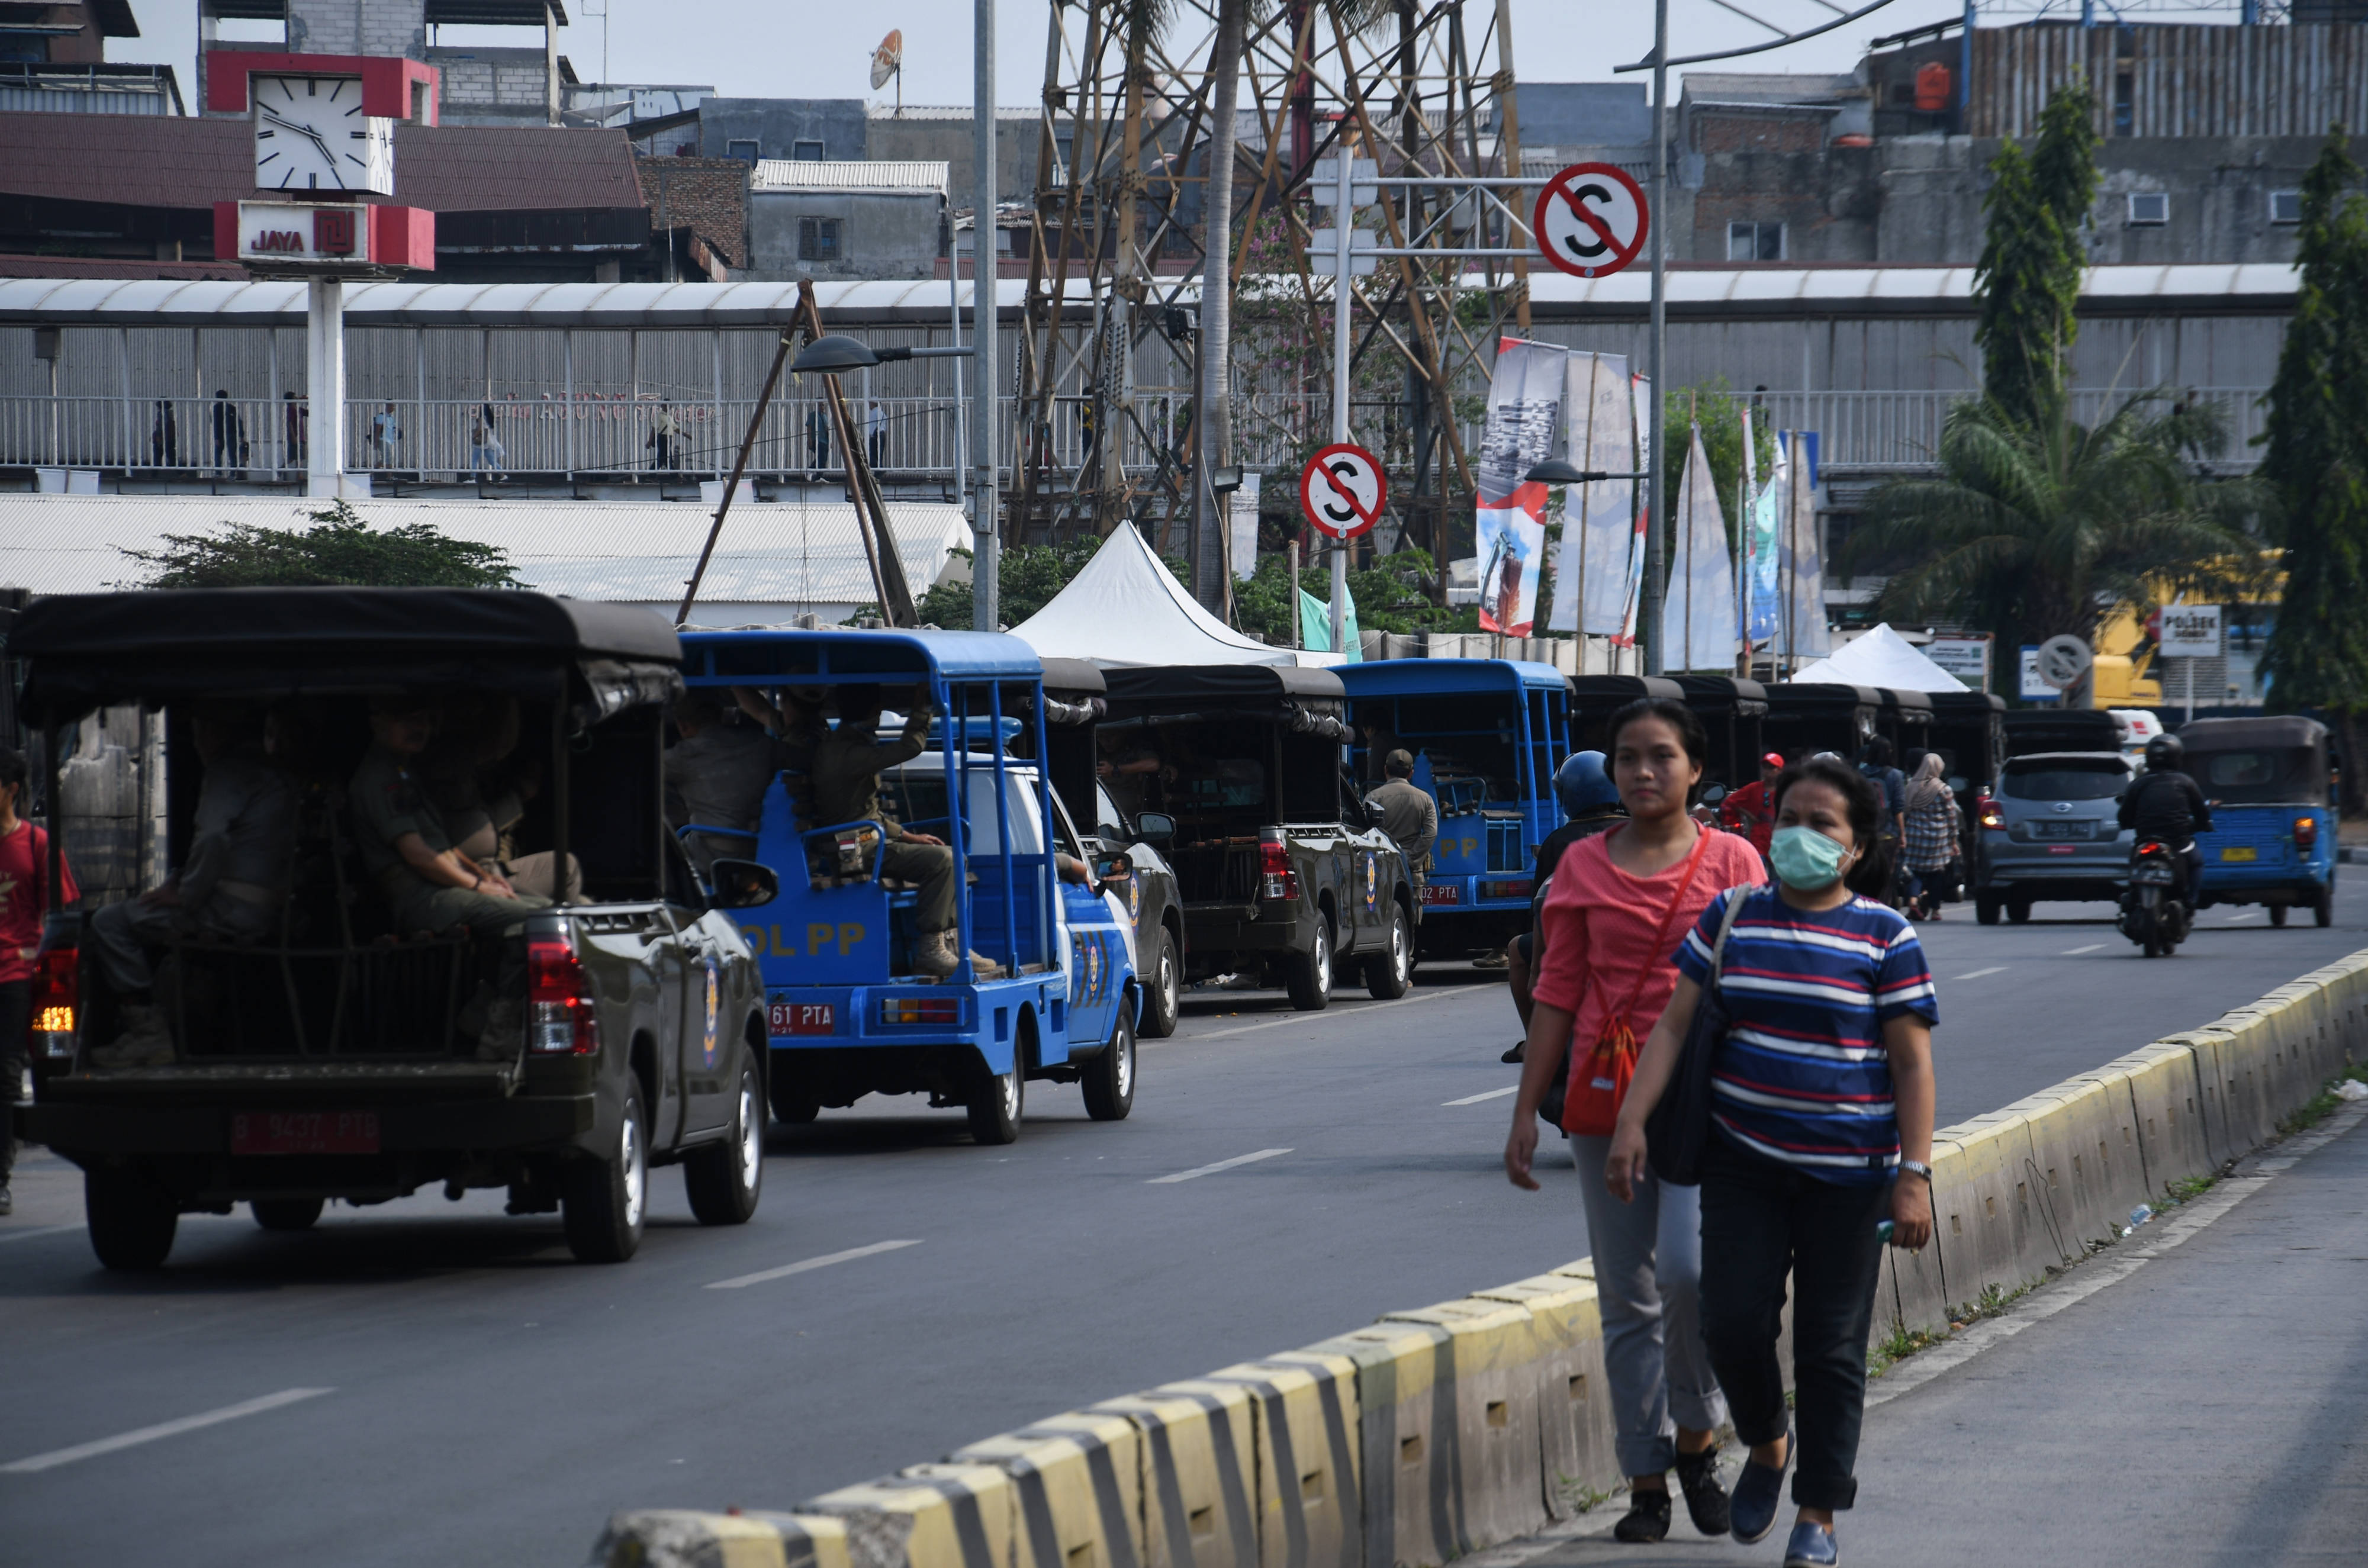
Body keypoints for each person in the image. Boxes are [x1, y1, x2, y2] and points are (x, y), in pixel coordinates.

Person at [1606, 755, 1938, 1568]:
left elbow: (1912, 1065)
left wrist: (1915, 1172)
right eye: (1790, 818)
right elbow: (1676, 1029)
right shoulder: (1732, 916)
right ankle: (1766, 1439)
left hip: (1850, 1179)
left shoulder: (1886, 936)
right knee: (1730, 1321)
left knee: (1831, 1349)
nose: (1801, 835)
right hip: (1743, 1166)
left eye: (1822, 823)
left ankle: (1818, 1512)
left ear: (1855, 847)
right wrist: (1630, 1122)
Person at [1504, 698, 1763, 1546]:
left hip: (1708, 1108)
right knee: (1626, 1299)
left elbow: (1763, 991)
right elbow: (1556, 995)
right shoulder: (1581, 866)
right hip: (1603, 1100)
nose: (1643, 772)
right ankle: (1646, 1480)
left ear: (1695, 769)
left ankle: (1697, 1438)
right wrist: (1524, 1114)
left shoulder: (1734, 862)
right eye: (1627, 758)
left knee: (1690, 1280)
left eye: (1661, 756)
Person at [88, 707, 298, 1069]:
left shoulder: (228, 771)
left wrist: (185, 892)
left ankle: (148, 1036)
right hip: (268, 907)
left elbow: (214, 838)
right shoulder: (274, 773)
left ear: (212, 732)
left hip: (231, 910)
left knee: (110, 923)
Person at [809, 685, 996, 978]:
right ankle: (931, 951)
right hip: (855, 850)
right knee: (943, 861)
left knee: (953, 858)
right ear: (873, 712)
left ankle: (954, 943)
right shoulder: (847, 751)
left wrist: (910, 837)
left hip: (866, 841)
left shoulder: (849, 745)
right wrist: (921, 710)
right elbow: (911, 747)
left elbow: (866, 813)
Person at [348, 696, 551, 944]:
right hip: (423, 899)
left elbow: (442, 845)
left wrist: (482, 876)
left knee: (553, 911)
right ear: (377, 723)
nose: (419, 728)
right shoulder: (380, 778)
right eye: (407, 721)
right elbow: (418, 855)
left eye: (423, 720)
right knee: (544, 921)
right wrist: (477, 886)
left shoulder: (403, 771)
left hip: (445, 889)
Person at [1503, 749, 1625, 1062]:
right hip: (1631, 937)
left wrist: (1536, 971)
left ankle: (1535, 1041)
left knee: (1517, 949)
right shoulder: (1637, 832)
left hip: (1572, 944)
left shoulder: (1558, 842)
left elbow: (1542, 907)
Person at [0, 745, 78, 1216]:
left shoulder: (37, 844)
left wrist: (36, 954)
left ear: (10, 790)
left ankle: (0, 1175)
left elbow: (61, 916)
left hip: (13, 976)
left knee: (7, 1073)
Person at [665, 693, 785, 875]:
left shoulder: (684, 755)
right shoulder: (761, 743)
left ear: (682, 725)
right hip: (760, 849)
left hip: (710, 855)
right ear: (721, 716)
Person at [2118, 732, 2212, 903]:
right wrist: (2204, 824)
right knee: (2197, 862)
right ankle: (2191, 901)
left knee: (2132, 860)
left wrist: (2126, 824)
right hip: (2178, 842)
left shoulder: (2138, 784)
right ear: (2177, 757)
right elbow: (2201, 811)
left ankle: (2133, 894)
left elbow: (2124, 815)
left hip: (2145, 839)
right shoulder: (2185, 782)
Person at [1364, 749, 1439, 892]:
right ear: (1411, 773)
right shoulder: (1425, 799)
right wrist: (1411, 859)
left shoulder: (1373, 798)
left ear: (1385, 770)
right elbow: (1431, 834)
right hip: (1412, 871)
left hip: (1381, 868)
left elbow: (1363, 832)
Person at [1899, 753, 1961, 920]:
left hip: (1915, 837)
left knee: (1915, 873)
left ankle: (1913, 902)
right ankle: (1935, 911)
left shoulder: (1911, 786)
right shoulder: (1943, 789)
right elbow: (1951, 818)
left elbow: (1905, 812)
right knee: (1936, 875)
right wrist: (1953, 841)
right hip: (1937, 840)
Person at [1717, 751, 1785, 859]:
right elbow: (1729, 802)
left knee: (1777, 875)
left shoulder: (1785, 790)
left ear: (1780, 771)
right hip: (1759, 841)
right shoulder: (1754, 788)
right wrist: (1750, 816)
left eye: (1772, 768)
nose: (1768, 771)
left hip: (1780, 843)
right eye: (1765, 767)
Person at [210, 389, 247, 476]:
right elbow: (239, 421)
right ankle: (233, 473)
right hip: (232, 433)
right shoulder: (232, 408)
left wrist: (216, 438)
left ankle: (218, 472)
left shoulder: (216, 408)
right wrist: (241, 435)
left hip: (221, 434)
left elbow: (215, 424)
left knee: (218, 454)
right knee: (232, 454)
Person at [282, 391, 307, 472]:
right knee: (292, 458)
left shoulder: (298, 409)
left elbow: (309, 413)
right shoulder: (291, 410)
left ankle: (298, 475)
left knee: (299, 458)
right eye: (295, 397)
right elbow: (289, 424)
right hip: (295, 436)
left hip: (300, 436)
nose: (297, 398)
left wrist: (308, 401)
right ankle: (279, 471)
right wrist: (293, 437)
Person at [371, 401, 402, 469]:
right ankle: (389, 477)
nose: (393, 408)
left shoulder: (390, 418)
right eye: (392, 406)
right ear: (388, 406)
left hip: (388, 440)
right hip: (382, 439)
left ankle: (373, 472)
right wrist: (376, 441)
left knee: (386, 458)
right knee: (388, 457)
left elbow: (393, 427)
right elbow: (378, 429)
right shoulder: (381, 416)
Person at [806, 404, 832, 474]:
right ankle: (817, 475)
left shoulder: (825, 417)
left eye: (823, 406)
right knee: (821, 458)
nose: (822, 407)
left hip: (825, 441)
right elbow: (809, 427)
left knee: (822, 459)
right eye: (820, 406)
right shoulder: (813, 415)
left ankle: (811, 471)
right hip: (817, 440)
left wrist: (830, 440)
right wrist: (809, 439)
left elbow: (827, 429)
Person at [866, 398, 887, 469]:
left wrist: (872, 433)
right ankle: (878, 468)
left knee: (873, 453)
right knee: (878, 453)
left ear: (873, 404)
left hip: (876, 434)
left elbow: (877, 424)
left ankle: (878, 468)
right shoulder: (880, 412)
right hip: (880, 434)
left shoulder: (875, 412)